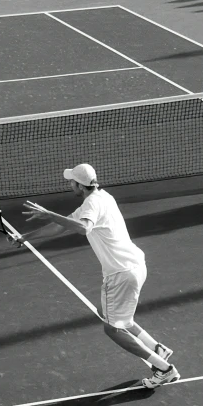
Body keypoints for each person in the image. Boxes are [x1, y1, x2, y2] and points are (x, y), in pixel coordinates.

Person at [16, 163, 180, 389]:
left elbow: (83, 228)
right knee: (107, 312)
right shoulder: (102, 198)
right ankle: (157, 348)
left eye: (71, 181)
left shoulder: (92, 204)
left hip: (121, 273)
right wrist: (26, 237)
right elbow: (61, 227)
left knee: (112, 329)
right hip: (133, 265)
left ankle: (164, 369)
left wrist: (48, 213)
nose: (68, 184)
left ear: (79, 185)